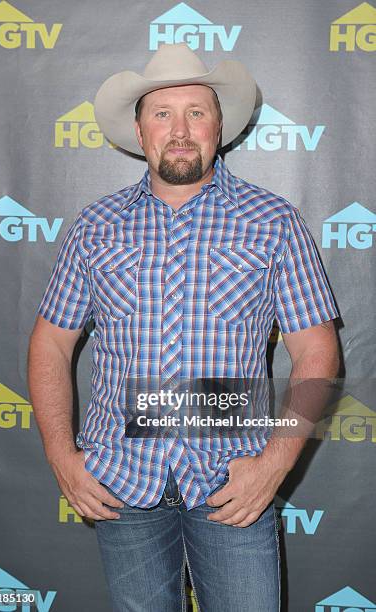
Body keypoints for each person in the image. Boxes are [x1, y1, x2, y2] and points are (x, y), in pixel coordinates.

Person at [27, 43, 340, 611]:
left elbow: (318, 351)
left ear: (220, 127)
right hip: (122, 483)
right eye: (162, 113)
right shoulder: (95, 226)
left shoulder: (274, 222)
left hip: (234, 484)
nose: (180, 129)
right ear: (140, 129)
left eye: (196, 112)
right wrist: (60, 455)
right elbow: (51, 341)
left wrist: (273, 466)